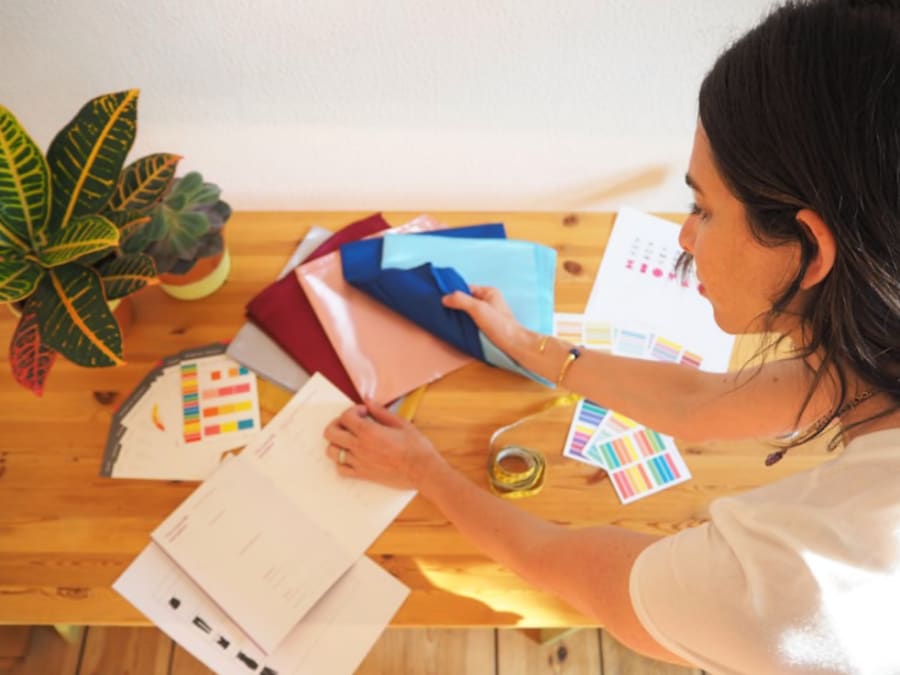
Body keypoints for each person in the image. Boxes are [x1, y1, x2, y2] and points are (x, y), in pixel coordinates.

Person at [323, 1, 900, 672]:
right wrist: (526, 344)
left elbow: (553, 559)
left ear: (807, 249)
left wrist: (422, 468)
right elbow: (697, 403)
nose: (684, 236)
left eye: (703, 208)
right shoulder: (876, 340)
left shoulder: (795, 590)